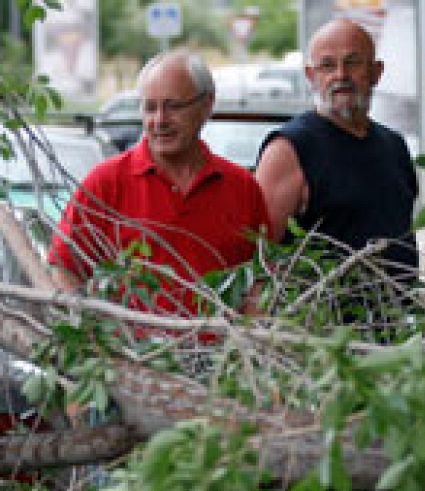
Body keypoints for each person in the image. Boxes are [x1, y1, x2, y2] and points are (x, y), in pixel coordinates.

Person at [48, 50, 271, 319]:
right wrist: (94, 337)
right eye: (150, 107)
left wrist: (247, 344)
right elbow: (63, 268)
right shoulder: (106, 182)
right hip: (128, 356)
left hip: (222, 356)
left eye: (173, 106)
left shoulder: (243, 188)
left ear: (207, 105)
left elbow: (261, 281)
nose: (160, 120)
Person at [254, 18, 420, 292]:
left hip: (397, 327)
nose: (340, 75)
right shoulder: (289, 150)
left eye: (353, 62)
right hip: (318, 328)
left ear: (376, 72)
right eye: (327, 65)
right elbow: (258, 259)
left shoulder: (394, 146)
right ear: (311, 76)